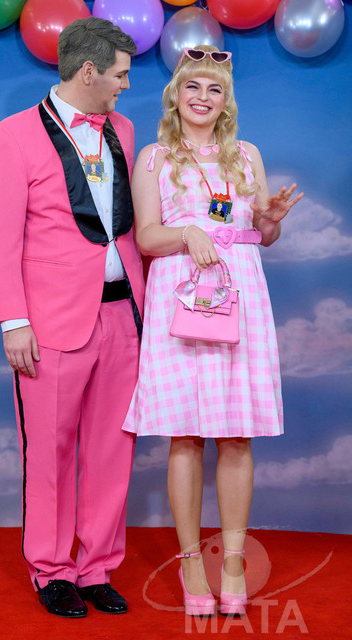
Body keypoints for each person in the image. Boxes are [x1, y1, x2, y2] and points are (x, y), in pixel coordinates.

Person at [122, 46, 303, 617]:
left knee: (236, 436)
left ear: (227, 102)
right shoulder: (154, 158)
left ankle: (232, 563)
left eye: (214, 89)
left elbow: (260, 235)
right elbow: (146, 236)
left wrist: (269, 222)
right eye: (193, 86)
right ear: (175, 95)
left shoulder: (246, 155)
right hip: (180, 298)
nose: (202, 97)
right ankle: (190, 565)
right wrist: (187, 234)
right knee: (185, 437)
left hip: (239, 295)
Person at [0, 17, 144, 618]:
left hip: (123, 315)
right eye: (120, 74)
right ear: (89, 71)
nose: (126, 85)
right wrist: (12, 320)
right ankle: (51, 570)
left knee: (112, 450)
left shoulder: (124, 129)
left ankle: (97, 567)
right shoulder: (14, 135)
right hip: (48, 324)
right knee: (49, 453)